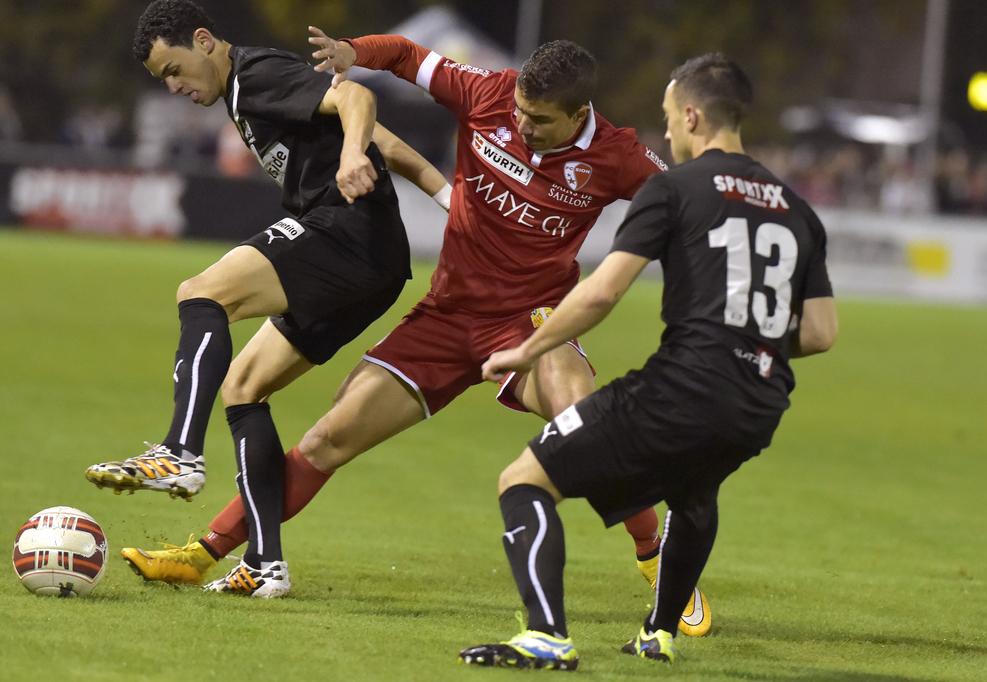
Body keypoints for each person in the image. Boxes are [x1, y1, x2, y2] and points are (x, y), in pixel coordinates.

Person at [120, 30, 711, 632]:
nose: (524, 129)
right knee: (328, 439)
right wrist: (355, 53)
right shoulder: (488, 93)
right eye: (520, 114)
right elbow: (406, 55)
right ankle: (208, 552)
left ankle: (659, 559)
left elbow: (686, 207)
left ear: (580, 114)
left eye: (540, 121)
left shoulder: (617, 156)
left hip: (529, 322)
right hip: (445, 316)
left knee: (579, 415)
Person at [458, 53, 838, 670]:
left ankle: (547, 636)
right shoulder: (797, 210)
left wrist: (528, 349)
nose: (664, 133)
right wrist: (750, 337)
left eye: (668, 118)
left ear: (692, 114)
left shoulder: (675, 188)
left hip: (683, 388)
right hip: (759, 402)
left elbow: (603, 290)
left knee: (524, 480)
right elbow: (820, 332)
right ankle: (658, 633)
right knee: (694, 491)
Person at [84, 0, 449, 595]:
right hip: (374, 267)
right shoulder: (241, 92)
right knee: (245, 387)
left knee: (201, 293)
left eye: (173, 69)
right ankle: (265, 565)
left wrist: (354, 154)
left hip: (346, 235)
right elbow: (381, 136)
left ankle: (180, 451)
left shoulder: (253, 75)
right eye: (162, 81)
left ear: (203, 41)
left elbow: (358, 100)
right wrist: (450, 200)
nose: (174, 86)